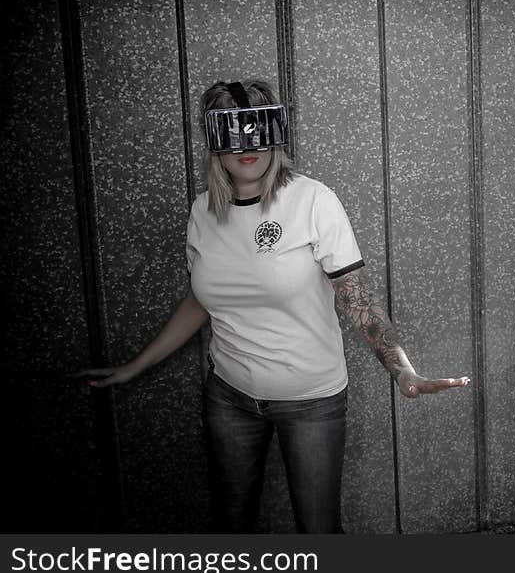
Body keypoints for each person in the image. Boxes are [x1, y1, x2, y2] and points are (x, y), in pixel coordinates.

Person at [79, 79, 469, 533]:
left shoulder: (312, 200)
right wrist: (132, 367)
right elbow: (199, 302)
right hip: (228, 398)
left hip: (311, 401)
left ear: (276, 134)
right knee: (232, 524)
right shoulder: (202, 212)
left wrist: (401, 369)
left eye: (259, 128)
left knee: (319, 530)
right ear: (214, 143)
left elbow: (356, 297)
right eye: (233, 131)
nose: (248, 145)